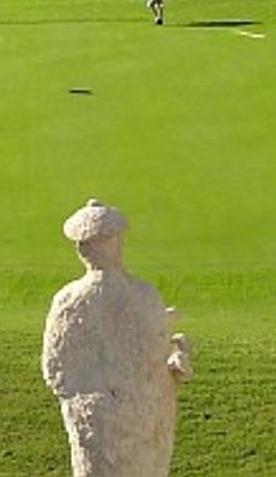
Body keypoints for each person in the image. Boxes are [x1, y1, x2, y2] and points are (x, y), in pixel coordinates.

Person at [41, 200, 192, 476]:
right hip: (137, 416)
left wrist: (172, 357)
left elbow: (55, 371)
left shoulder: (68, 300)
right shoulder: (143, 295)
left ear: (81, 248)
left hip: (107, 419)